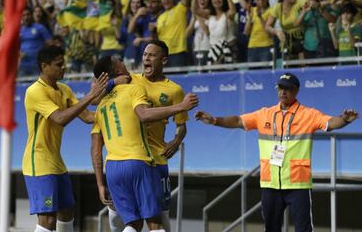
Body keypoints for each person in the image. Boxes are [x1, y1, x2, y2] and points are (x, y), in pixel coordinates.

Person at [195, 72, 359, 232]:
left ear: (296, 91)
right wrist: (214, 120)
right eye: (280, 88)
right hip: (270, 183)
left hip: (298, 184)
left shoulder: (308, 114)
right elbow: (238, 120)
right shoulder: (265, 114)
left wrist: (344, 119)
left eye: (287, 88)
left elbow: (330, 123)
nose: (283, 92)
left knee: (303, 229)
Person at [91, 54, 198, 232]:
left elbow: (95, 147)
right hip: (139, 161)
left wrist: (100, 183)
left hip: (115, 167)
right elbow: (144, 114)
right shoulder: (135, 88)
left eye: (151, 55)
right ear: (118, 70)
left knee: (135, 222)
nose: (145, 58)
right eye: (122, 62)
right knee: (155, 222)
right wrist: (182, 106)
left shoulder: (101, 104)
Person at [22, 45, 108, 232]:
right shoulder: (35, 91)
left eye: (64, 63)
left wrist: (115, 111)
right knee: (47, 219)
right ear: (44, 66)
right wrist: (90, 96)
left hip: (56, 162)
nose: (64, 67)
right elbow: (60, 119)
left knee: (67, 211)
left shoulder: (64, 89)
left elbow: (87, 117)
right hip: (38, 162)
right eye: (59, 64)